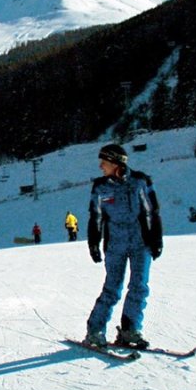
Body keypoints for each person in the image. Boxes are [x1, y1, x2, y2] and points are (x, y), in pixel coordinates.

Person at [84, 143, 163, 349]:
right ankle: (95, 331)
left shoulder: (140, 182)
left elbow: (151, 212)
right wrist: (94, 242)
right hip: (115, 245)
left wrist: (156, 240)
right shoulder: (101, 187)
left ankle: (130, 330)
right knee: (112, 288)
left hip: (140, 243)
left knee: (139, 287)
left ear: (115, 162)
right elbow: (96, 217)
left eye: (104, 162)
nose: (101, 166)